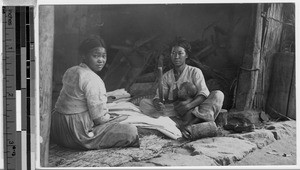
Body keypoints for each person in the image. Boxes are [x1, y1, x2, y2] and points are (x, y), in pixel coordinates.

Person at [50, 35, 139, 150]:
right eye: (95, 56)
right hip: (76, 134)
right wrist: (112, 117)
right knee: (130, 131)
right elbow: (99, 119)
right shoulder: (93, 79)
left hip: (57, 129)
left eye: (103, 56)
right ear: (84, 56)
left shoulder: (71, 70)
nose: (100, 60)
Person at [139, 37, 224, 139]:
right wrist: (158, 103)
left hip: (194, 108)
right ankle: (184, 123)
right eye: (173, 53)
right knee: (144, 103)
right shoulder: (166, 76)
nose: (176, 56)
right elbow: (159, 96)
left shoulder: (194, 71)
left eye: (180, 53)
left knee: (218, 95)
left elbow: (203, 94)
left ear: (186, 55)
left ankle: (192, 122)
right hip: (174, 110)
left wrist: (188, 106)